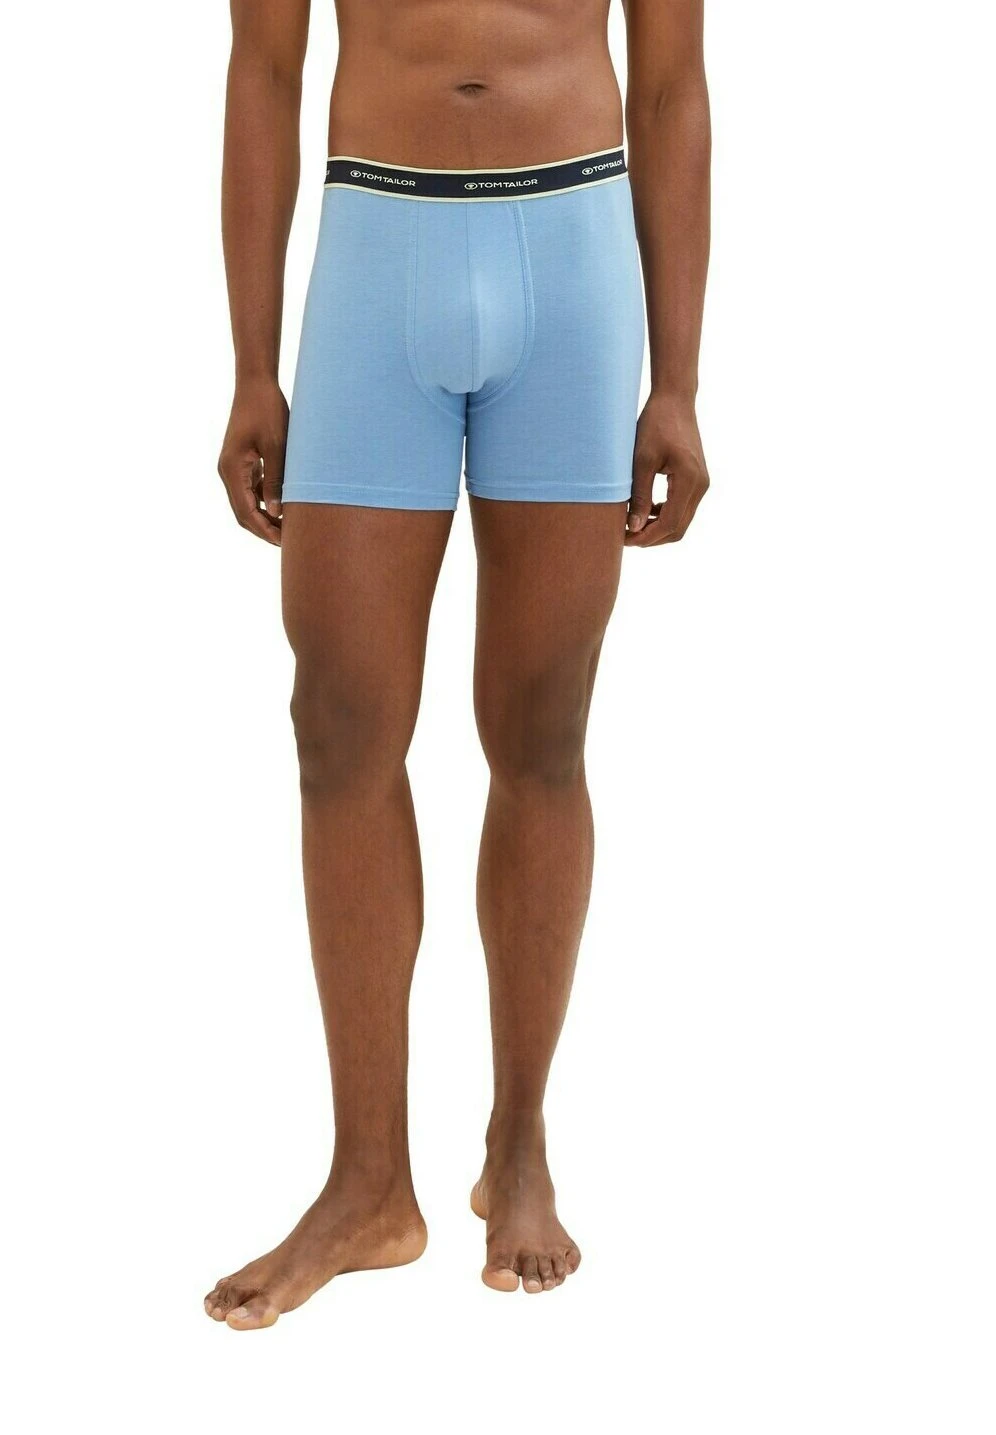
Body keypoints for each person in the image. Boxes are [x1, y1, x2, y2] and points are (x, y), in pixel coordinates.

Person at [205, 0, 710, 1329]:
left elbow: (671, 86)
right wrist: (251, 365)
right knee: (339, 723)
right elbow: (262, 68)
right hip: (375, 247)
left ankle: (518, 1141)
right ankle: (370, 1182)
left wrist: (679, 381)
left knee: (541, 727)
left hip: (574, 245)